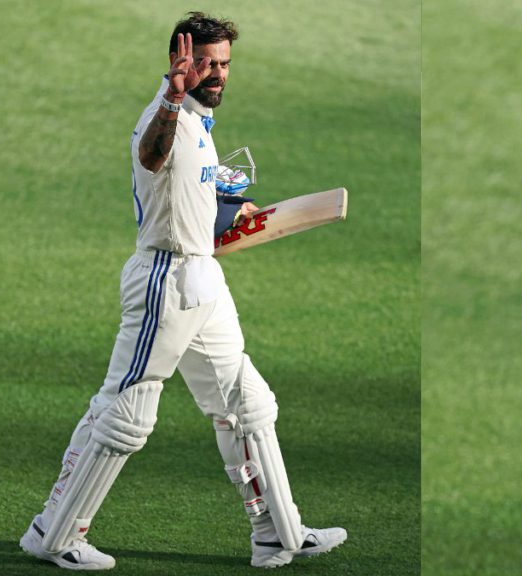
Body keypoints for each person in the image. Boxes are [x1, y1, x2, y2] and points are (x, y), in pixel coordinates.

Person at [19, 12, 347, 570]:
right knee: (125, 413)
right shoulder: (164, 116)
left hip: (203, 281)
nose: (216, 74)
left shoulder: (200, 124)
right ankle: (55, 537)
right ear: (180, 60)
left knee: (247, 405)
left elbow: (189, 197)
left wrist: (228, 211)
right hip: (164, 283)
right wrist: (172, 97)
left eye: (223, 65)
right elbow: (152, 156)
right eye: (204, 63)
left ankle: (278, 535)